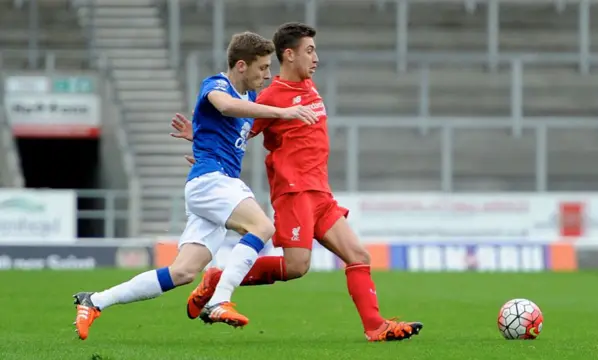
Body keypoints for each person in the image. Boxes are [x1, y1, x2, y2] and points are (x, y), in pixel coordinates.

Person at [170, 22, 422, 342]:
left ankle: (375, 327)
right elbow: (238, 132)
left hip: (321, 193)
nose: (315, 58)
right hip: (294, 192)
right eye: (309, 51)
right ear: (289, 55)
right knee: (295, 267)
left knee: (358, 255)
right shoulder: (271, 97)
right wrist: (202, 142)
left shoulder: (309, 87)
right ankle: (218, 279)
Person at [72, 31, 318, 340]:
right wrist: (283, 111)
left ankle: (94, 301)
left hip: (213, 185)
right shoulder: (216, 85)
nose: (267, 75)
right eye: (262, 68)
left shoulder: (250, 99)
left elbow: (227, 126)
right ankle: (219, 300)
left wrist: (198, 134)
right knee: (262, 228)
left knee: (183, 272)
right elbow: (224, 106)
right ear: (241, 66)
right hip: (212, 182)